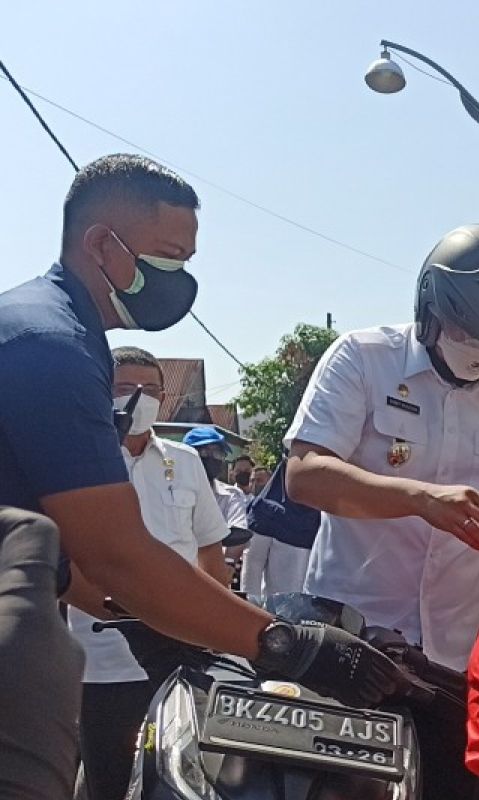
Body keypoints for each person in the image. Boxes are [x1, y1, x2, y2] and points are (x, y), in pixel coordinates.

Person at [0, 154, 401, 799]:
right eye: (165, 258)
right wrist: (278, 643)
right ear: (102, 244)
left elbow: (57, 545)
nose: (178, 281)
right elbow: (115, 551)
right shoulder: (51, 345)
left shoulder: (40, 327)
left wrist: (162, 620)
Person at [285, 223, 479, 800]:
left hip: (451, 666)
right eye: (466, 332)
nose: (478, 352)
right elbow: (305, 475)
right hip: (352, 650)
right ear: (430, 304)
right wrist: (416, 498)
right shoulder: (362, 360)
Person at [68, 346, 230, 800]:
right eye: (125, 389)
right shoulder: (80, 459)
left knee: (179, 780)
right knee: (111, 782)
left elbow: (211, 556)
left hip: (181, 659)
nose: (140, 398)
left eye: (151, 390)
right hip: (104, 663)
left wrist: (213, 637)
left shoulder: (186, 460)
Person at [184, 426, 250, 571]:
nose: (212, 458)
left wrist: (227, 564)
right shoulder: (167, 490)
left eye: (218, 453)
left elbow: (238, 531)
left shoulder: (231, 496)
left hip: (212, 573)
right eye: (203, 452)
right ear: (186, 455)